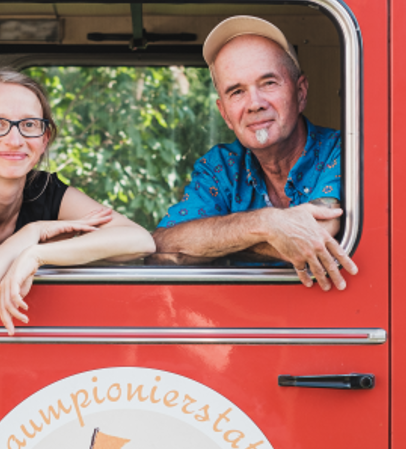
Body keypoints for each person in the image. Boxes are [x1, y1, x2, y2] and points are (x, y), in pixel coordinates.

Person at [0, 69, 155, 333]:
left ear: (44, 140)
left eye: (29, 125)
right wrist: (32, 233)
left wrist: (38, 255)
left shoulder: (46, 190)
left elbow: (139, 241)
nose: (14, 140)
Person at [152, 16, 359, 291]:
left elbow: (318, 235)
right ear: (225, 114)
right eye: (237, 91)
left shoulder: (343, 150)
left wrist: (218, 244)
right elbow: (164, 246)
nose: (255, 104)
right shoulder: (220, 166)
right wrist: (267, 223)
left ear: (300, 92)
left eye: (268, 83)